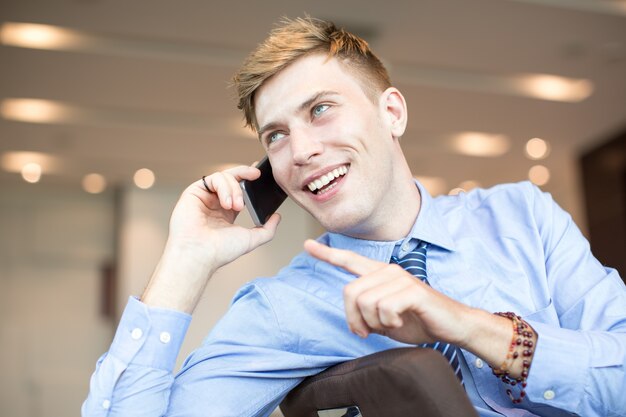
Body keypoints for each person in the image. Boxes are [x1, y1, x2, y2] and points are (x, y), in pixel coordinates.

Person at [82, 16, 626, 417]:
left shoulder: (521, 215)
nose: (300, 151)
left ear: (391, 112)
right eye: (276, 136)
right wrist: (184, 261)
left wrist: (465, 324)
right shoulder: (281, 309)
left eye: (320, 109)